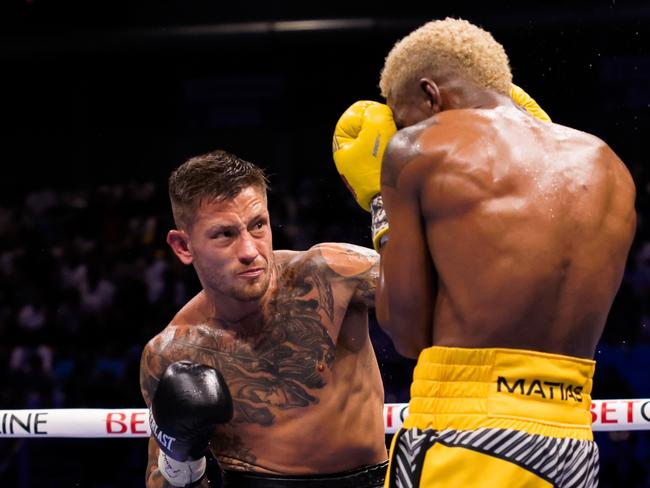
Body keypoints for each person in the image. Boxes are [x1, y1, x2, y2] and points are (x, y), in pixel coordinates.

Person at [332, 17, 636, 488]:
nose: (402, 130)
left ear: (431, 95)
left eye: (403, 114)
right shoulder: (609, 167)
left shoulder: (415, 150)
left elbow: (407, 331)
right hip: (573, 442)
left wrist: (379, 204)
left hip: (464, 431)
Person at [139, 149, 388, 487]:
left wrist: (389, 202)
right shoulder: (173, 352)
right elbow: (163, 483)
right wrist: (180, 459)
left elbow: (444, 288)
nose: (250, 251)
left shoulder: (331, 276)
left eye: (258, 226)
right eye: (224, 234)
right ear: (183, 246)